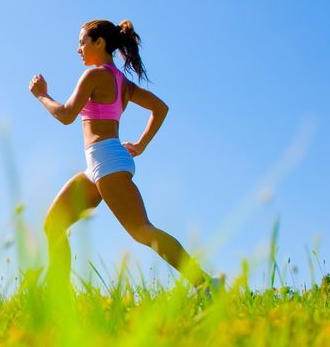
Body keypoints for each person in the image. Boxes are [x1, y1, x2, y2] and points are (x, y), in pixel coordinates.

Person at [29, 19, 214, 292]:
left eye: (82, 42)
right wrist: (140, 145)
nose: (78, 49)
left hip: (107, 161)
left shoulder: (94, 76)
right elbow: (160, 108)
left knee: (142, 230)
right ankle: (59, 298)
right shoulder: (122, 83)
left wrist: (42, 96)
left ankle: (206, 284)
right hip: (100, 163)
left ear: (99, 43)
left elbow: (67, 115)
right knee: (53, 225)